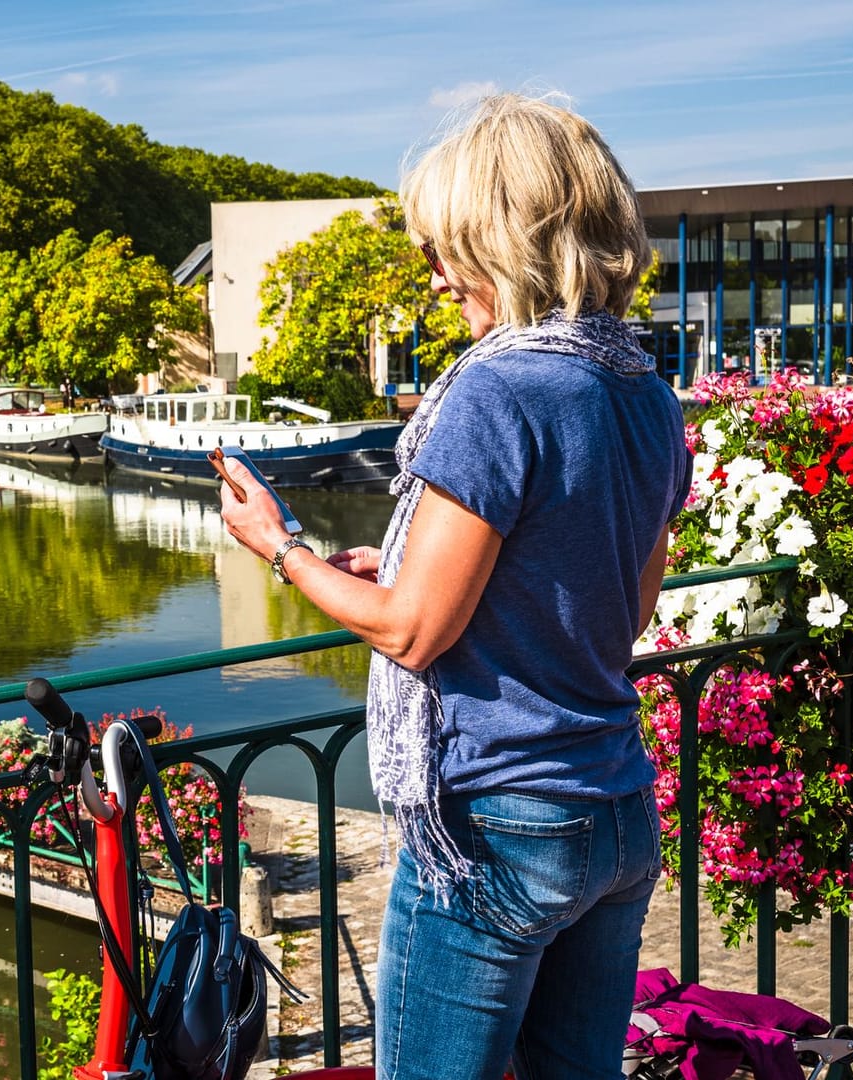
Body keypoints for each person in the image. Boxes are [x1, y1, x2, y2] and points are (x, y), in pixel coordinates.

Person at [218, 93, 691, 1080]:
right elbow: (622, 607)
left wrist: (282, 546)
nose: (436, 279)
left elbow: (412, 633)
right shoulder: (645, 393)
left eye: (447, 249)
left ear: (505, 240)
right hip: (613, 808)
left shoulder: (497, 387)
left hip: (495, 823)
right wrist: (398, 567)